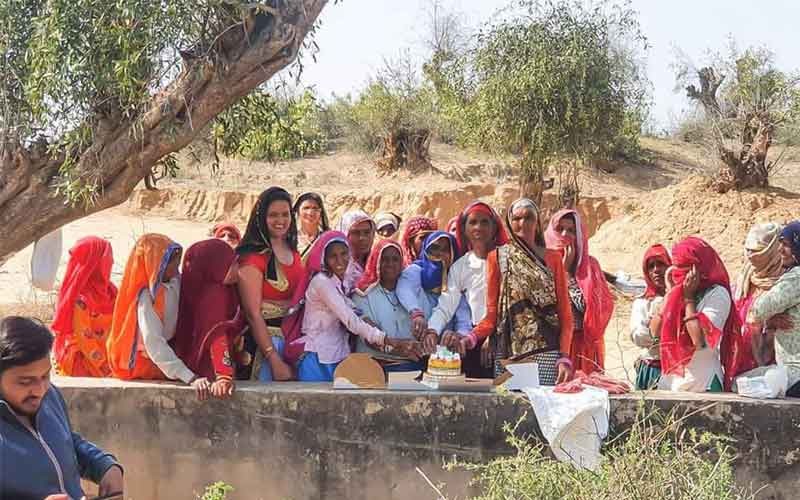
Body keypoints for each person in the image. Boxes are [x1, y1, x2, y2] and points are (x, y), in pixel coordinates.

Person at [0, 316, 124, 500]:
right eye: (26, 382)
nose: (40, 390)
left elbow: (67, 441)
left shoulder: (50, 396)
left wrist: (105, 466)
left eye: (45, 376)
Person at [468, 198, 575, 385]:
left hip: (547, 352)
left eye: (529, 218)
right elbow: (492, 314)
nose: (523, 223)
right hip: (508, 353)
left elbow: (565, 315)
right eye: (517, 218)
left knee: (543, 402)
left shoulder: (553, 259)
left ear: (537, 223)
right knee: (509, 403)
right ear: (509, 223)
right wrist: (471, 337)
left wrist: (564, 356)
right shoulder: (497, 257)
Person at [106, 234, 211, 398]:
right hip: (145, 363)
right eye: (172, 264)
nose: (177, 269)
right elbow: (153, 342)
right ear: (156, 265)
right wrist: (189, 377)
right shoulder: (146, 298)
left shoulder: (173, 282)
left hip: (165, 355)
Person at [298, 231, 407, 381]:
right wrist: (388, 340)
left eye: (344, 254)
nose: (340, 260)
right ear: (324, 258)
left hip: (338, 354)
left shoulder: (342, 281)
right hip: (317, 356)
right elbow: (350, 320)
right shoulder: (321, 282)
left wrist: (368, 323)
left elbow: (355, 312)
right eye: (333, 256)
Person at [428, 201, 510, 378]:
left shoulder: (507, 259)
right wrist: (432, 331)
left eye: (484, 222)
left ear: (494, 228)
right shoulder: (461, 267)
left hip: (507, 338)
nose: (478, 227)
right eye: (473, 222)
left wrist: (493, 336)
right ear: (464, 229)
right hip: (473, 339)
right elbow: (446, 306)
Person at [237, 187, 307, 382]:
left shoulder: (293, 251)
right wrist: (274, 359)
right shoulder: (252, 258)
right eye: (273, 215)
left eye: (285, 214)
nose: (280, 220)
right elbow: (253, 314)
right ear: (261, 217)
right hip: (265, 347)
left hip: (292, 342)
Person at [657, 237, 736, 392]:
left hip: (703, 383)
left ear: (698, 268)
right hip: (672, 382)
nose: (679, 273)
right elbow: (654, 332)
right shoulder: (678, 291)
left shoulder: (717, 294)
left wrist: (688, 299)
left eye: (684, 267)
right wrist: (670, 295)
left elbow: (699, 341)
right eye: (676, 266)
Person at [544, 209, 614, 375]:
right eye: (560, 229)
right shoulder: (542, 263)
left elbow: (591, 311)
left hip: (583, 347)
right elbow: (546, 307)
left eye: (571, 230)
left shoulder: (590, 266)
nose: (565, 235)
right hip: (552, 346)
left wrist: (568, 275)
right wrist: (560, 271)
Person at [172, 239, 245, 399]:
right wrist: (223, 375)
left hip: (194, 365)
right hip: (209, 371)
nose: (237, 269)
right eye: (231, 264)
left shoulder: (212, 287)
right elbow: (216, 333)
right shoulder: (214, 295)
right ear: (215, 267)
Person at [353, 240, 426, 371]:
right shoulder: (362, 294)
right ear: (376, 261)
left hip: (411, 364)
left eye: (395, 259)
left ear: (402, 262)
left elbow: (424, 326)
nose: (390, 264)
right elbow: (370, 338)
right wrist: (399, 348)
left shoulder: (414, 291)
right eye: (385, 259)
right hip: (374, 366)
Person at [746, 221, 800, 396]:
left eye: (787, 244)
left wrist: (768, 319)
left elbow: (757, 311)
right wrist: (772, 320)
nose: (780, 250)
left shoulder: (795, 278)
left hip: (795, 374)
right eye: (780, 244)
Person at [51, 236, 117, 377]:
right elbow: (84, 339)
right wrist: (104, 366)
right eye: (107, 258)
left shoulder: (111, 291)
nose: (112, 262)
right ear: (95, 263)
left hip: (110, 358)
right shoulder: (81, 299)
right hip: (85, 360)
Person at [730, 223, 784, 384]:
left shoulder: (787, 283)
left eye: (757, 250)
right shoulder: (745, 278)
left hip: (775, 365)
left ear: (772, 251)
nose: (750, 256)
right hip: (741, 358)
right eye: (748, 250)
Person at [397, 231, 471, 346]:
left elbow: (463, 319)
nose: (439, 253)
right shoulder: (415, 270)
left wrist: (459, 336)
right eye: (434, 248)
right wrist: (416, 313)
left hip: (444, 350)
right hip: (413, 345)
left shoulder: (455, 279)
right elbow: (404, 289)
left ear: (452, 254)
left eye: (445, 250)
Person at [629, 244, 671, 390]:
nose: (656, 270)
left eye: (661, 264)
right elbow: (638, 336)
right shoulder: (642, 303)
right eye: (651, 266)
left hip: (678, 371)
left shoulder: (684, 299)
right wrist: (657, 332)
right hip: (651, 370)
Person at [337, 210, 376, 295]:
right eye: (356, 233)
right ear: (345, 234)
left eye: (367, 232)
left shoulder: (380, 262)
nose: (362, 238)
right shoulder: (338, 268)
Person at [294, 192, 330, 258]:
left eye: (315, 208)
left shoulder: (328, 238)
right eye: (306, 208)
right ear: (298, 211)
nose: (310, 213)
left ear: (320, 211)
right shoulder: (291, 239)